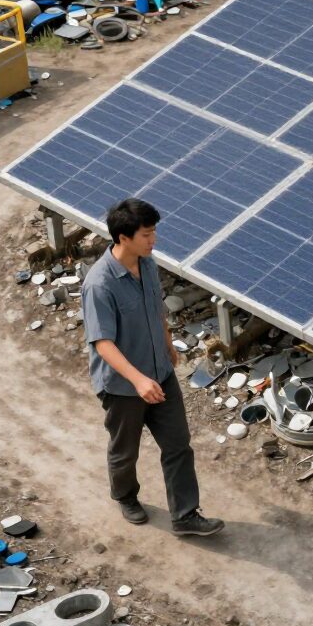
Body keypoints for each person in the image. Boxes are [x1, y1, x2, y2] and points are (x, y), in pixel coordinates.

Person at [81, 198, 223, 538]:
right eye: (147, 234)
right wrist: (138, 379)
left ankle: (185, 516)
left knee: (178, 445)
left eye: (154, 231)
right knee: (124, 451)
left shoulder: (146, 264)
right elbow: (103, 343)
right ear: (123, 238)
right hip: (123, 387)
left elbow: (156, 306)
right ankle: (125, 496)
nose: (153, 239)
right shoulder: (99, 285)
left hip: (159, 373)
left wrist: (167, 341)